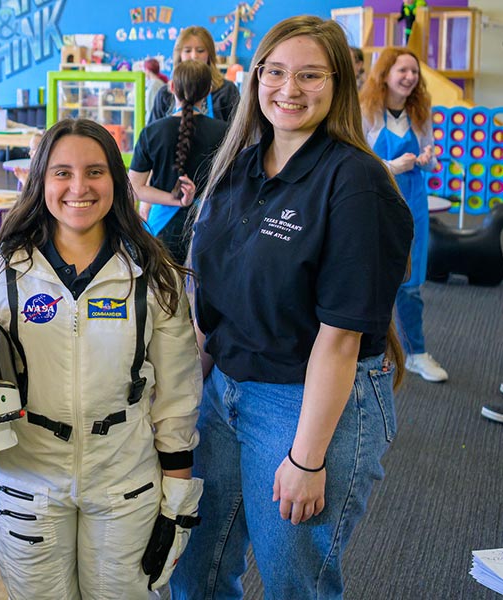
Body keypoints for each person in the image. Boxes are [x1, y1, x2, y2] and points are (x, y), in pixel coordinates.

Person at [171, 16, 413, 599]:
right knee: (193, 568)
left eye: (310, 75)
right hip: (225, 390)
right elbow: (211, 302)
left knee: (291, 583)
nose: (289, 89)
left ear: (338, 85)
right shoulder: (236, 170)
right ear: (254, 79)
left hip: (308, 402)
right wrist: (185, 407)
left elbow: (341, 337)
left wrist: (306, 459)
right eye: (274, 72)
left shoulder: (356, 182)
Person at [0, 118, 203, 599]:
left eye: (94, 172)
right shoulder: (0, 273)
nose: (79, 187)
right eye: (62, 172)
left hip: (124, 482)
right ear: (40, 182)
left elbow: (177, 395)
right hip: (27, 478)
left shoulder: (153, 277)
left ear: (115, 179)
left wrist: (177, 500)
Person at [361, 47, 449, 383]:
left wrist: (429, 158)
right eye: (403, 71)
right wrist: (390, 166)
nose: (410, 77)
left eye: (414, 72)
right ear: (384, 75)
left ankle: (416, 353)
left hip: (413, 204)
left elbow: (433, 157)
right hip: (374, 204)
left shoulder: (420, 114)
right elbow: (355, 162)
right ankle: (369, 355)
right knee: (369, 283)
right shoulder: (366, 111)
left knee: (410, 286)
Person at [129, 60, 229, 266]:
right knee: (201, 292)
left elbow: (135, 187)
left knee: (163, 291)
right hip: (208, 222)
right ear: (208, 90)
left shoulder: (152, 132)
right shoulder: (225, 131)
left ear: (171, 87)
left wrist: (176, 201)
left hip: (162, 226)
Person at [148, 26, 240, 124]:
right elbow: (153, 133)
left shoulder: (226, 91)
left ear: (210, 55)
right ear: (179, 56)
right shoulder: (165, 94)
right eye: (187, 51)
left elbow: (238, 132)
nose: (194, 56)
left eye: (200, 51)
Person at [144, 58, 168, 124]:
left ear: (148, 70)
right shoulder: (160, 82)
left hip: (154, 122)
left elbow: (151, 107)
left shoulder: (154, 85)